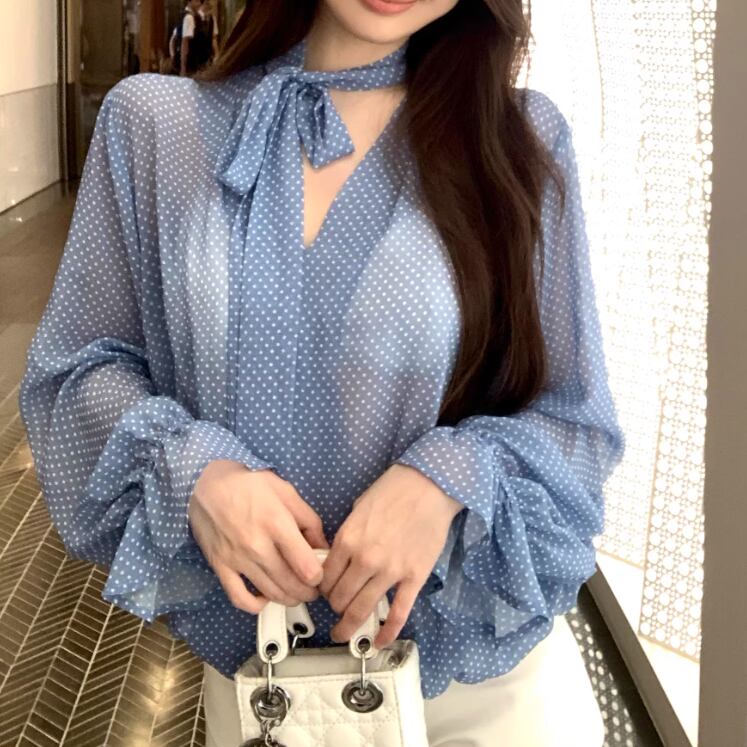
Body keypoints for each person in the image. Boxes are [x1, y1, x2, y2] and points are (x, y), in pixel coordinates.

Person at [18, 0, 625, 744]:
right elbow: (77, 368)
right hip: (266, 680)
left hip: (482, 681)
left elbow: (575, 421)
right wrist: (196, 472)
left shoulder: (516, 137)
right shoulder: (157, 126)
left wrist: (446, 479)